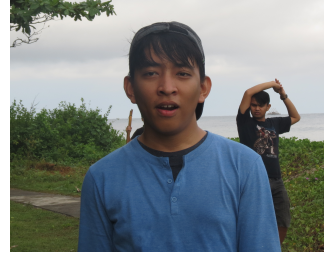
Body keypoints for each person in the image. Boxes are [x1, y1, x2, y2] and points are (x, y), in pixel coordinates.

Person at [78, 22, 281, 252]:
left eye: (183, 73)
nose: (167, 87)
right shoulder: (102, 178)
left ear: (203, 88)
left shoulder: (244, 167)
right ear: (130, 87)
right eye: (151, 73)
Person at [237, 79, 301, 245]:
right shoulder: (245, 123)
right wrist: (272, 84)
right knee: (252, 219)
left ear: (268, 107)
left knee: (283, 217)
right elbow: (248, 93)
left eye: (260, 105)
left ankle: (273, 249)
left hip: (276, 179)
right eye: (253, 105)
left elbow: (296, 116)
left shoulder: (274, 123)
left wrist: (283, 95)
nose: (256, 108)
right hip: (254, 180)